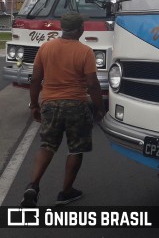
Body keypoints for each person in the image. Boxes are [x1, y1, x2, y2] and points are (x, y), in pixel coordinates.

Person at [21, 12, 105, 207]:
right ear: (79, 30)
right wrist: (99, 108)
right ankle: (66, 192)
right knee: (76, 149)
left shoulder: (46, 48)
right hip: (76, 104)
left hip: (50, 104)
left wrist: (34, 104)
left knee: (47, 145)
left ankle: (33, 185)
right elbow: (92, 84)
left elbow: (35, 79)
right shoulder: (85, 51)